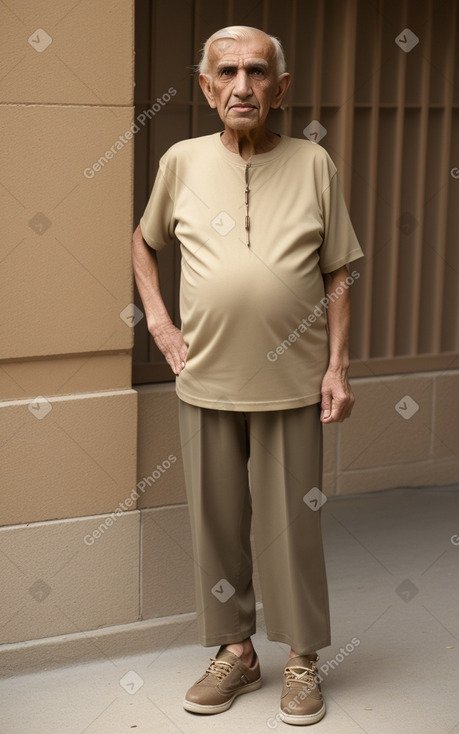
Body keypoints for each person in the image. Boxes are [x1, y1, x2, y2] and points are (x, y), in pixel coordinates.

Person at [132, 25, 363, 726]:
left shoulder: (312, 163)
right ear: (205, 87)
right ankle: (236, 651)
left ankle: (299, 659)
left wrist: (337, 366)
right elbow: (144, 243)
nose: (242, 86)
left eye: (257, 73)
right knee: (216, 524)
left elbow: (338, 271)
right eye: (226, 73)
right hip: (205, 380)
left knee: (294, 525)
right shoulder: (179, 160)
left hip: (293, 381)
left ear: (280, 87)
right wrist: (160, 324)